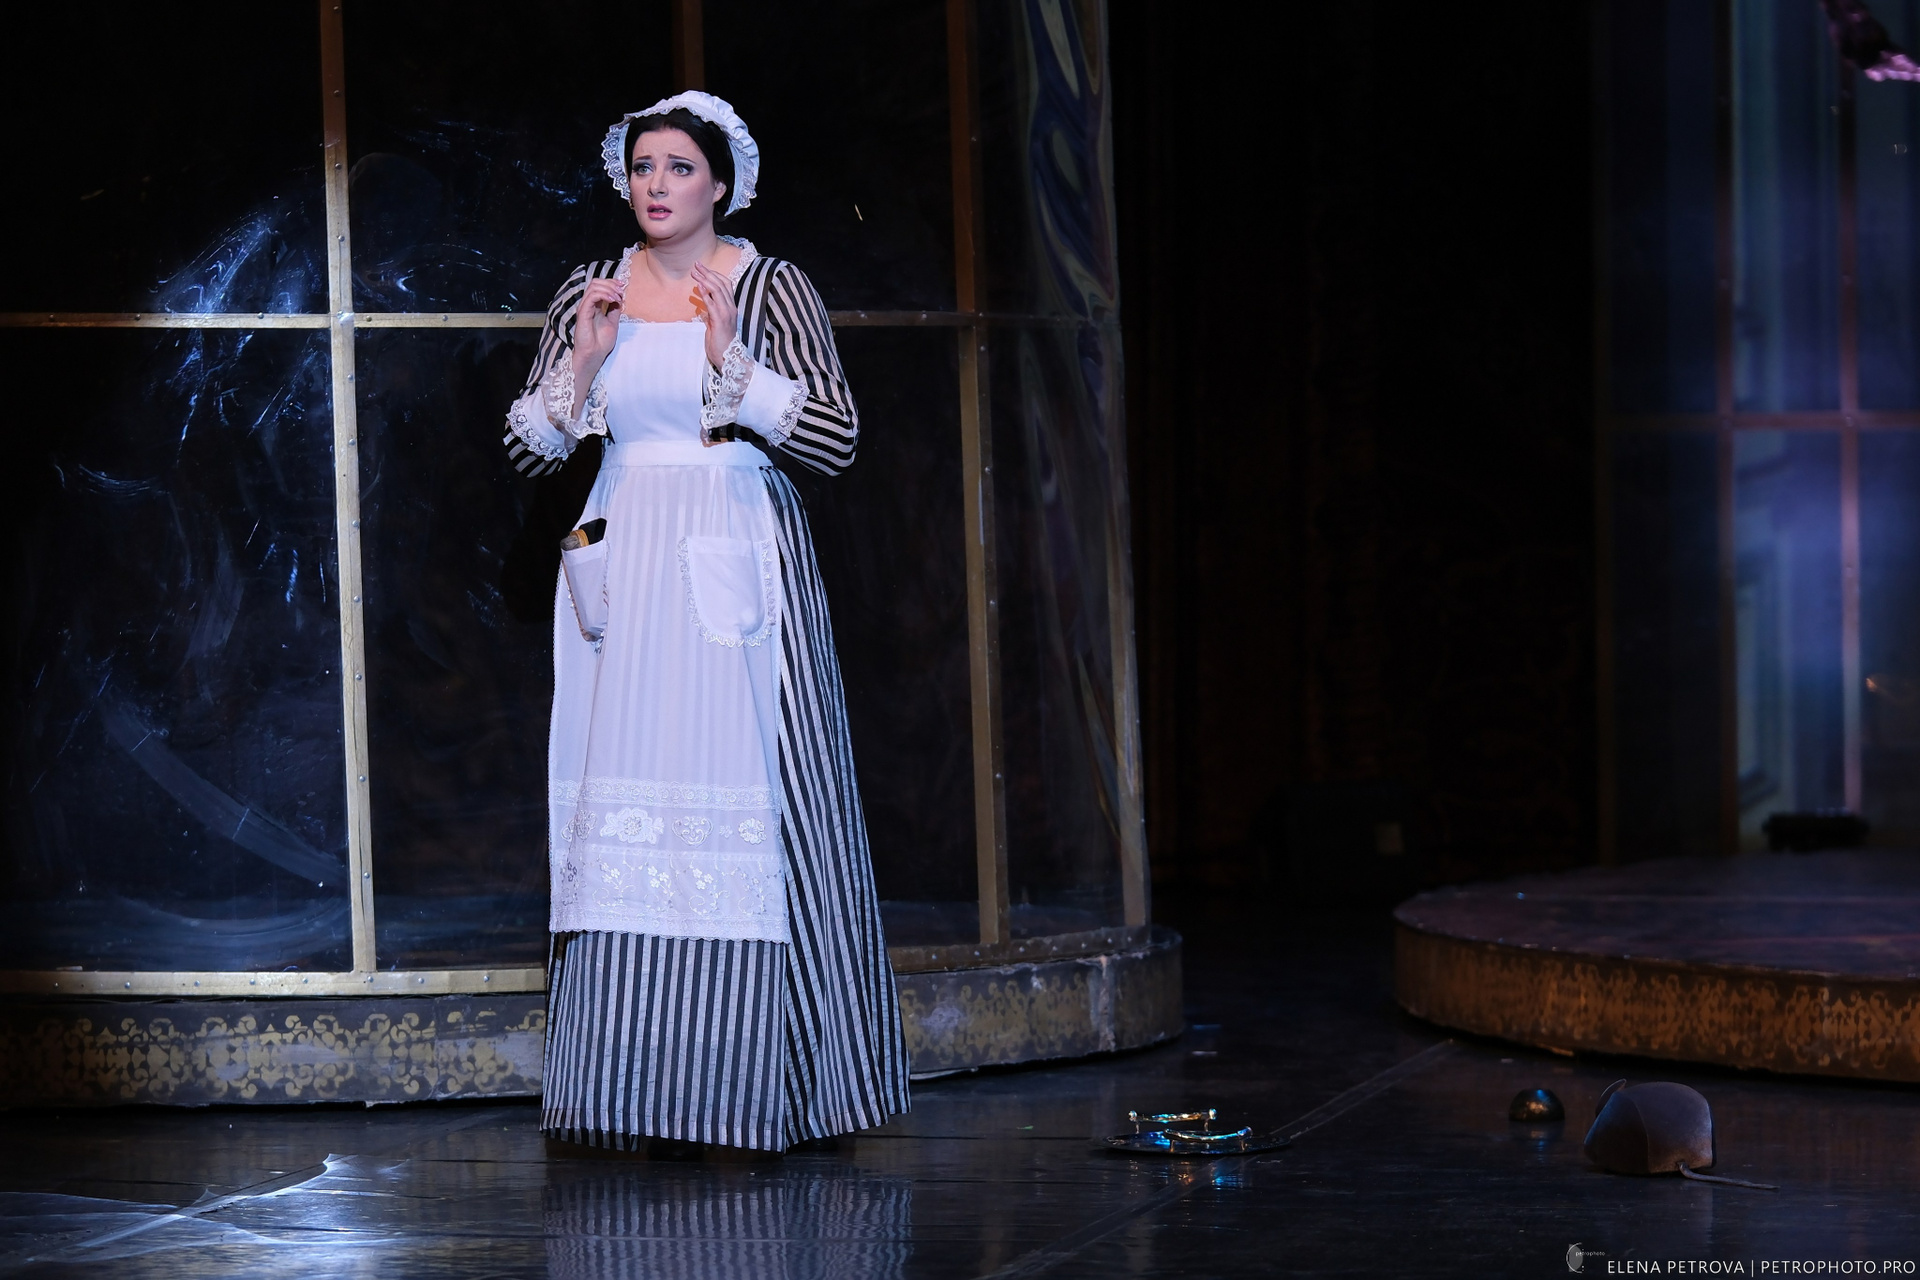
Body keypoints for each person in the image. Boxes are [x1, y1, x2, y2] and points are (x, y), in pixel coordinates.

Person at [502, 92, 909, 1155]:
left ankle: (768, 1087)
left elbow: (834, 439)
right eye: (644, 166)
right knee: (619, 796)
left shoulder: (769, 287)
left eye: (680, 167)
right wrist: (582, 367)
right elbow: (530, 448)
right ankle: (626, 1093)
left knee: (757, 791)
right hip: (624, 551)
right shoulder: (589, 290)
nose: (658, 184)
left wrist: (738, 364)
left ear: (720, 183)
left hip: (731, 548)